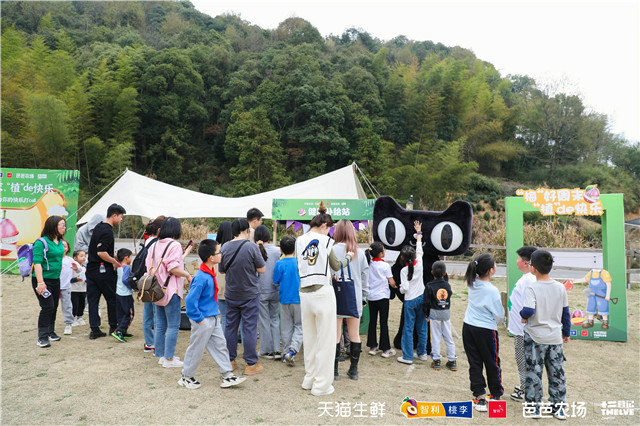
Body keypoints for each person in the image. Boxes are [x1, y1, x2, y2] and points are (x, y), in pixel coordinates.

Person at [296, 203, 353, 396]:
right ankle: (321, 385)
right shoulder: (326, 241)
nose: (330, 232)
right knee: (326, 341)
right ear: (324, 226)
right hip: (322, 292)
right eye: (329, 228)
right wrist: (349, 258)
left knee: (310, 339)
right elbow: (336, 265)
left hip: (304, 293)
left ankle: (309, 379)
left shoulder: (299, 240)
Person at [179, 239, 247, 389]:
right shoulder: (201, 277)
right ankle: (186, 376)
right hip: (204, 320)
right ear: (211, 257)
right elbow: (190, 301)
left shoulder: (209, 274)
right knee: (196, 348)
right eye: (218, 252)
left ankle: (227, 375)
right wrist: (200, 320)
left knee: (221, 346)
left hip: (213, 318)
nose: (221, 254)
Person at [520, 249, 570, 420]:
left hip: (535, 337)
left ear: (532, 268)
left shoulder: (532, 288)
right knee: (557, 373)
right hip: (555, 337)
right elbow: (566, 313)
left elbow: (528, 309)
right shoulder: (560, 287)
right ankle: (559, 407)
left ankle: (534, 408)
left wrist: (522, 316)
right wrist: (566, 332)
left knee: (534, 372)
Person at [219, 218, 266, 376]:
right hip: (250, 293)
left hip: (231, 293)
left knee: (230, 327)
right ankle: (251, 364)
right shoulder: (251, 247)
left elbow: (222, 269)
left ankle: (230, 361)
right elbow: (262, 269)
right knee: (249, 328)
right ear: (247, 231)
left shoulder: (225, 247)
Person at [146, 217, 193, 368]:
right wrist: (186, 274)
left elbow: (151, 266)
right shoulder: (175, 245)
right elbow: (172, 268)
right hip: (170, 289)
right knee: (173, 325)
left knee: (160, 324)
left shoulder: (153, 245)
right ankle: (169, 359)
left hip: (156, 289)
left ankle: (160, 355)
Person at [462, 253, 505, 412]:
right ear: (491, 270)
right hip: (486, 330)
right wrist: (499, 323)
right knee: (492, 362)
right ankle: (495, 394)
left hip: (468, 327)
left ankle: (479, 396)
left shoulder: (472, 283)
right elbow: (499, 315)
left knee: (475, 362)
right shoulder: (492, 290)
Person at [332, 220, 369, 381]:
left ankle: (334, 371)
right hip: (354, 297)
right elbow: (365, 277)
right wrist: (363, 297)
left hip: (335, 296)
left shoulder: (331, 249)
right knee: (354, 334)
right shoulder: (359, 253)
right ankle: (353, 371)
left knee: (335, 334)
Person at [86, 203, 126, 340]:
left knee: (93, 300)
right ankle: (113, 326)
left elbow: (103, 249)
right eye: (121, 217)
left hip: (91, 269)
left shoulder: (98, 226)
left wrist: (113, 254)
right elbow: (101, 252)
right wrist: (114, 262)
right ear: (114, 215)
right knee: (111, 299)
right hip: (103, 270)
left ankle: (94, 329)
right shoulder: (107, 230)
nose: (121, 220)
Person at [507, 246, 538, 401]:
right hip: (520, 329)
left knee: (523, 359)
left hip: (523, 330)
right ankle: (525, 385)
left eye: (518, 258)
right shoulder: (527, 277)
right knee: (522, 358)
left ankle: (526, 389)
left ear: (526, 262)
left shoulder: (529, 279)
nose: (516, 261)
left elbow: (530, 305)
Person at [32, 215, 67, 348]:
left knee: (54, 306)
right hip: (42, 280)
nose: (64, 228)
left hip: (55, 279)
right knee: (47, 306)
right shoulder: (41, 242)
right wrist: (41, 283)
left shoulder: (59, 241)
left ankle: (50, 332)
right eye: (61, 225)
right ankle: (42, 337)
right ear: (53, 226)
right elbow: (37, 263)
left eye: (64, 225)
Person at [396, 221, 428, 365]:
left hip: (409, 301)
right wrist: (419, 233)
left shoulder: (403, 271)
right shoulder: (420, 264)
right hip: (421, 298)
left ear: (402, 259)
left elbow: (405, 289)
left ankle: (408, 356)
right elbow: (420, 249)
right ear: (414, 256)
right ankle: (422, 353)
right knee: (422, 327)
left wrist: (399, 287)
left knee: (408, 328)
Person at [423, 260, 457, 371]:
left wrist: (426, 314)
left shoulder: (429, 286)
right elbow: (449, 296)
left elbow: (426, 302)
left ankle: (436, 360)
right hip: (445, 313)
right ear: (445, 273)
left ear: (432, 272)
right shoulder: (447, 285)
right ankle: (452, 360)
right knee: (448, 337)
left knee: (436, 337)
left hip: (434, 314)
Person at [273, 236, 302, 365]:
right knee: (299, 326)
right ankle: (292, 350)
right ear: (295, 249)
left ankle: (285, 354)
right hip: (299, 299)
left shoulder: (279, 263)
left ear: (281, 249)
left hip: (284, 299)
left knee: (285, 328)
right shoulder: (299, 262)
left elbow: (275, 282)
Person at [255, 225, 282, 360]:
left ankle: (266, 350)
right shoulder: (278, 251)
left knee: (264, 321)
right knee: (275, 319)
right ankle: (277, 349)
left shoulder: (255, 250)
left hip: (261, 290)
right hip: (275, 289)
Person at [366, 241, 396, 359]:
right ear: (380, 253)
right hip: (383, 297)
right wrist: (395, 286)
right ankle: (385, 349)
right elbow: (391, 281)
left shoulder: (369, 264)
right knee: (383, 322)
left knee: (372, 321)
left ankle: (372, 347)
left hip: (371, 297)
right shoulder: (385, 266)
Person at [141, 216, 164, 353]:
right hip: (153, 281)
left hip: (146, 280)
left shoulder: (147, 241)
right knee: (155, 314)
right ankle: (153, 342)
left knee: (148, 313)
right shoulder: (156, 244)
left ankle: (150, 342)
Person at [112, 248, 133, 343]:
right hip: (126, 294)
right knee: (129, 314)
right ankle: (119, 331)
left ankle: (123, 331)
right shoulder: (127, 267)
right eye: (130, 257)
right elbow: (125, 280)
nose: (131, 259)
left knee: (121, 313)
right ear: (126, 258)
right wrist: (132, 287)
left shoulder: (119, 267)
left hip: (119, 293)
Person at [215, 221, 233, 330]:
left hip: (220, 288)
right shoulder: (233, 248)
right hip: (233, 287)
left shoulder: (216, 249)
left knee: (224, 316)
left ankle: (223, 341)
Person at [59, 240, 79, 335]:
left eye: (65, 246)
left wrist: (76, 268)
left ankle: (68, 324)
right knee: (51, 306)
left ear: (67, 249)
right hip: (54, 286)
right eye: (60, 245)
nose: (63, 248)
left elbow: (80, 269)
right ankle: (50, 324)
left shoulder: (70, 260)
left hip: (66, 287)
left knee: (67, 306)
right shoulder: (53, 259)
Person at [70, 249, 87, 326]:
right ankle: (72, 318)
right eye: (81, 256)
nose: (84, 257)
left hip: (83, 289)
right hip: (74, 289)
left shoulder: (85, 267)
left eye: (85, 256)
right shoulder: (72, 267)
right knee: (74, 304)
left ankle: (80, 317)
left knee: (82, 304)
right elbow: (68, 279)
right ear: (75, 258)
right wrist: (76, 279)